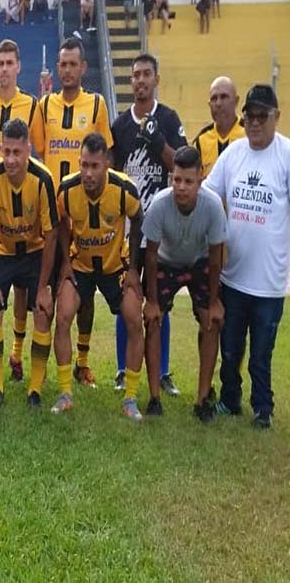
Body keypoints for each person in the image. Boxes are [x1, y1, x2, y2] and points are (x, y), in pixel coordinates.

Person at [203, 84, 289, 429]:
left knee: (261, 354)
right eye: (249, 117)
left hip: (269, 281)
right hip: (233, 275)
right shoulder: (234, 154)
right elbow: (209, 194)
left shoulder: (285, 156)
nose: (253, 124)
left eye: (261, 117)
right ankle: (229, 400)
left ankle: (262, 407)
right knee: (231, 348)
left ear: (276, 117)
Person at [36, 37, 113, 387]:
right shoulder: (44, 106)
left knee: (85, 291)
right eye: (62, 64)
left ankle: (82, 360)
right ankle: (27, 354)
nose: (66, 70)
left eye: (72, 64)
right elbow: (38, 150)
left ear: (83, 67)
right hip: (51, 214)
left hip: (84, 213)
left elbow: (102, 154)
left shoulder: (96, 104)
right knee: (41, 288)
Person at [110, 53, 187, 396]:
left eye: (146, 75)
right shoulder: (121, 125)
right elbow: (113, 174)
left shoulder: (168, 118)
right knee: (126, 299)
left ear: (157, 79)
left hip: (160, 228)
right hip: (128, 227)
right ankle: (123, 370)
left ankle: (164, 369)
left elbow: (182, 167)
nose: (140, 80)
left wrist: (159, 142)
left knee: (160, 300)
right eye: (135, 75)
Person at [52, 134, 144, 419]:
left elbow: (138, 220)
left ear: (106, 164)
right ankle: (66, 392)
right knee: (63, 314)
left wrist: (133, 271)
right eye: (84, 165)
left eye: (94, 166)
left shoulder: (123, 189)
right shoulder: (67, 190)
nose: (88, 173)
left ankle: (130, 398)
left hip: (115, 267)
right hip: (80, 266)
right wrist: (66, 262)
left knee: (134, 319)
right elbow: (61, 223)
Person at [0, 39, 45, 381]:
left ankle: (17, 354)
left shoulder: (32, 105)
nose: (4, 69)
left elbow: (41, 149)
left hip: (27, 206)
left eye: (9, 63)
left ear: (18, 66)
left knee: (24, 294)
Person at [0, 119, 57, 409]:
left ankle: (34, 389)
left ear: (28, 149)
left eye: (16, 152)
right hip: (4, 252)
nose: (10, 159)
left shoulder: (43, 178)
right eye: (5, 151)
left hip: (35, 253)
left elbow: (51, 235)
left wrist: (45, 287)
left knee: (44, 311)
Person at [142, 146, 227, 422]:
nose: (181, 187)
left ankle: (202, 400)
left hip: (199, 262)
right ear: (171, 177)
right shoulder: (159, 204)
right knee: (153, 321)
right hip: (166, 263)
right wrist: (152, 302)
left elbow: (216, 259)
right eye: (176, 180)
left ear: (200, 180)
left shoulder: (213, 206)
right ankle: (154, 398)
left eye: (188, 181)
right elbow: (151, 255)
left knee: (211, 321)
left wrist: (214, 302)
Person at [193, 76, 245, 178]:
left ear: (236, 101)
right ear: (209, 104)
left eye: (224, 97)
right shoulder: (201, 140)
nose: (218, 103)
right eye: (214, 98)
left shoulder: (248, 134)